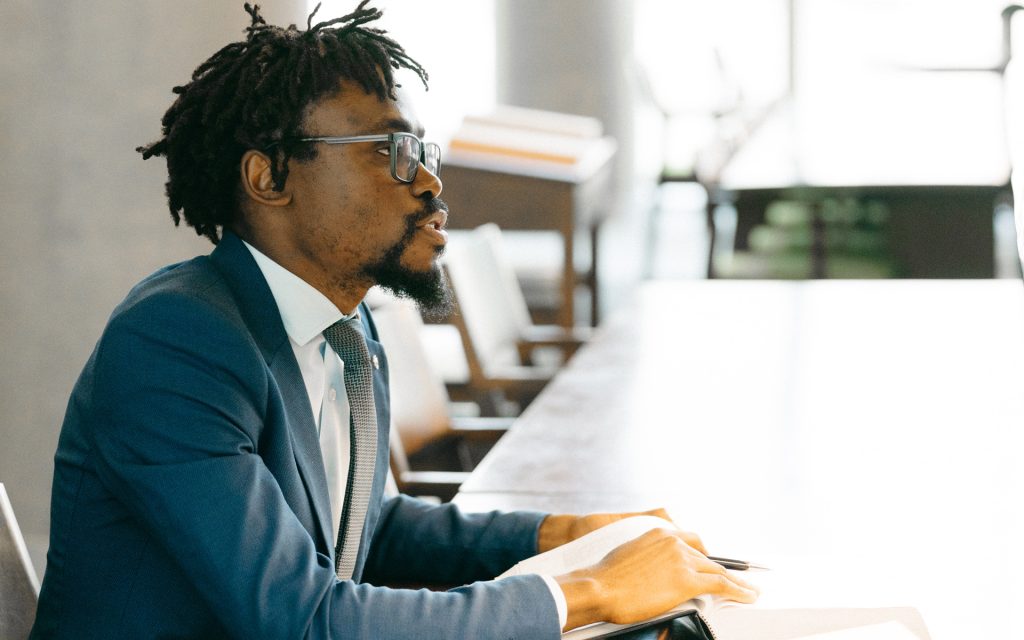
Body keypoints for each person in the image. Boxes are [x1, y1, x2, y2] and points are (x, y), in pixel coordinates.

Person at [29, 2, 757, 638]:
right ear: (269, 177)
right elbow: (306, 621)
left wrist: (563, 534)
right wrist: (586, 590)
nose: (431, 181)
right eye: (393, 151)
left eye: (423, 152)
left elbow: (365, 527)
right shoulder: (176, 343)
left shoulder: (347, 329)